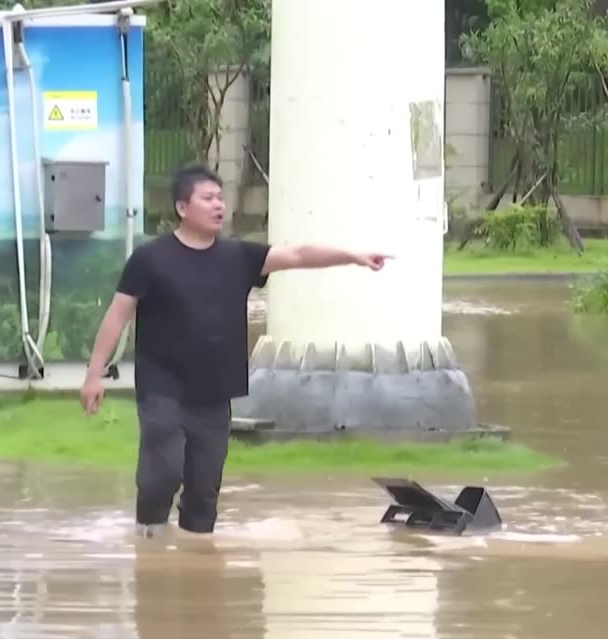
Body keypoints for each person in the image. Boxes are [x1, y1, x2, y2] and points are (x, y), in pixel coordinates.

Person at [79, 165, 391, 537]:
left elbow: (298, 255)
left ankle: (197, 563)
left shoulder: (238, 256)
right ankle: (150, 541)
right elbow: (118, 315)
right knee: (162, 472)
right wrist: (93, 375)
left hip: (215, 390)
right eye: (208, 198)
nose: (218, 206)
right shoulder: (150, 259)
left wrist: (353, 255)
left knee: (204, 487)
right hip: (162, 386)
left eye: (220, 198)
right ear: (182, 207)